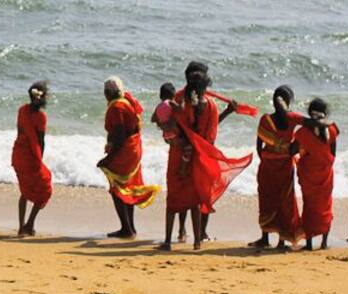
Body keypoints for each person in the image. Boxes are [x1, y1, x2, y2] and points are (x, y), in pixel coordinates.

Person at [160, 62, 251, 251]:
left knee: (175, 197)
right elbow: (209, 135)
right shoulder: (210, 105)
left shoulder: (177, 99)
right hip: (199, 157)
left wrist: (174, 140)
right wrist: (228, 111)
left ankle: (170, 240)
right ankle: (198, 241)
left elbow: (169, 125)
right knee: (196, 197)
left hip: (178, 153)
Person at [98, 77, 159, 239]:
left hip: (125, 150)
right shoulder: (126, 101)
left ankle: (127, 228)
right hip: (133, 148)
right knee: (128, 187)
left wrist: (108, 159)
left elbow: (119, 135)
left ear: (108, 93)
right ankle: (130, 227)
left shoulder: (116, 107)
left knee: (117, 190)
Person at [250, 85, 304, 250]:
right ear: (288, 102)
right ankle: (282, 241)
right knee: (284, 202)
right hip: (285, 165)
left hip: (267, 166)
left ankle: (265, 238)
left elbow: (259, 145)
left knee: (266, 200)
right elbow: (309, 126)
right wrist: (296, 146)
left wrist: (267, 159)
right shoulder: (293, 119)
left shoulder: (265, 119)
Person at [295, 98, 339, 251]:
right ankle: (324, 243)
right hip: (326, 174)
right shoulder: (332, 130)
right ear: (325, 114)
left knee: (309, 207)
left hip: (309, 175)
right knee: (326, 206)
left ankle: (308, 244)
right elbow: (333, 155)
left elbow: (292, 150)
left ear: (309, 113)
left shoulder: (302, 133)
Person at [12, 81, 53, 237]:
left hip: (18, 154)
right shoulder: (41, 116)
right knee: (44, 189)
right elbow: (41, 140)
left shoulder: (22, 110)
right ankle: (29, 224)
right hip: (31, 157)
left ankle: (22, 227)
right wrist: (39, 160)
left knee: (25, 191)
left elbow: (19, 131)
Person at [152, 82, 188, 242]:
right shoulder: (172, 104)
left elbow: (154, 119)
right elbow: (178, 117)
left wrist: (162, 124)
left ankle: (179, 231)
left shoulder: (159, 105)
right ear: (173, 95)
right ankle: (182, 230)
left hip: (168, 138)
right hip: (176, 138)